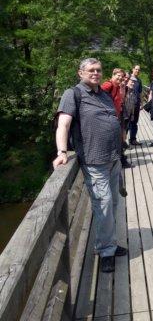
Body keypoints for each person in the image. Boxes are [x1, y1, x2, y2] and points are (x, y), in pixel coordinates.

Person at [53, 58, 127, 273]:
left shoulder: (103, 94)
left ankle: (108, 242)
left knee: (112, 203)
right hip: (94, 161)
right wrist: (61, 152)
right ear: (80, 73)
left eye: (98, 70)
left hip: (113, 158)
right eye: (91, 70)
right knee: (103, 205)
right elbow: (63, 124)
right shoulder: (73, 94)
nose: (96, 73)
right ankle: (105, 251)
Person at [101, 69, 131, 169]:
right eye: (118, 75)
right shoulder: (108, 85)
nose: (120, 78)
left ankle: (119, 161)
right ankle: (119, 162)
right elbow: (97, 97)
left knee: (120, 140)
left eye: (122, 76)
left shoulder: (117, 86)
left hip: (117, 117)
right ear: (113, 75)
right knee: (117, 141)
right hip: (109, 119)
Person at [129, 65, 143, 145]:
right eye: (136, 69)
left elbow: (140, 93)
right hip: (128, 103)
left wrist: (141, 103)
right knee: (127, 122)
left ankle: (133, 139)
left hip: (136, 103)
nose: (137, 71)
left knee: (134, 122)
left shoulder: (139, 80)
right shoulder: (128, 78)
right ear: (133, 69)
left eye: (139, 70)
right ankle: (123, 141)